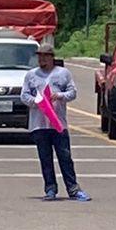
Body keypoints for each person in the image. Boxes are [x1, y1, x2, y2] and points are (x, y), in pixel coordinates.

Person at [23, 45, 89, 202]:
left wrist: (59, 96)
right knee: (45, 158)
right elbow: (24, 96)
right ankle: (50, 188)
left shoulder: (63, 73)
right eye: (39, 56)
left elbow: (72, 93)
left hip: (58, 124)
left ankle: (73, 189)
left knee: (65, 157)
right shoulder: (31, 75)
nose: (42, 59)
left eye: (45, 56)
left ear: (52, 57)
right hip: (39, 124)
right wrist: (36, 101)